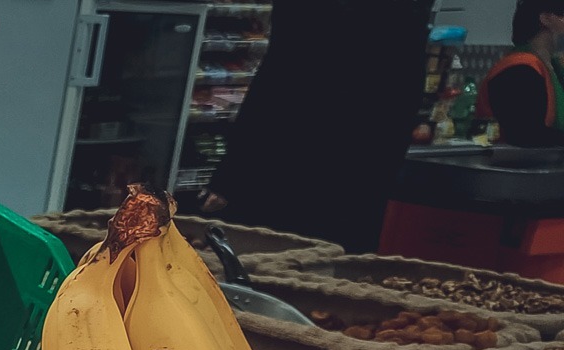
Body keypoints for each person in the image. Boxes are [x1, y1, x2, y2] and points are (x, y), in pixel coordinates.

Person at [201, 0, 433, 252]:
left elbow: (282, 76)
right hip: (360, 166)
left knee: (271, 253)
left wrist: (231, 175)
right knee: (332, 255)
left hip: (292, 161)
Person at [482, 0, 564, 147]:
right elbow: (526, 134)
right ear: (546, 19)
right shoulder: (519, 69)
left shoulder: (554, 69)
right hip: (511, 160)